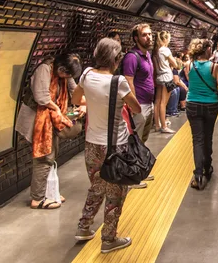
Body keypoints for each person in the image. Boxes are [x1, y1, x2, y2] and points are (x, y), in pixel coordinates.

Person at [72, 37, 141, 253]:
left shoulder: (86, 74)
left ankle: (84, 227)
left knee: (97, 186)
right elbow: (136, 109)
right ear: (115, 58)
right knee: (115, 193)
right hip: (115, 147)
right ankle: (109, 239)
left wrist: (95, 103)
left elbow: (76, 100)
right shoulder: (118, 82)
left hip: (92, 144)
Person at [15, 54, 83, 209]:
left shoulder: (64, 74)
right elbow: (42, 98)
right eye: (67, 75)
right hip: (38, 119)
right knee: (44, 157)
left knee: (52, 155)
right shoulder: (44, 69)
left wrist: (83, 105)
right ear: (60, 69)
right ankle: (37, 198)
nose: (68, 78)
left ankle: (49, 192)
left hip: (50, 119)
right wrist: (58, 109)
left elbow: (75, 91)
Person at [184, 39, 218, 190]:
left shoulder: (188, 65)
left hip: (192, 105)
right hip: (210, 105)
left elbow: (192, 83)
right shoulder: (215, 67)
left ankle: (197, 175)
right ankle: (207, 168)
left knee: (197, 140)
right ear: (206, 50)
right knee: (207, 137)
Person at [122, 23, 156, 187]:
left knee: (142, 140)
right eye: (144, 35)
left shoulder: (147, 55)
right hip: (139, 105)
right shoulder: (131, 57)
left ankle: (139, 171)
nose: (148, 37)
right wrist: (134, 106)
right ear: (136, 38)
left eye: (150, 34)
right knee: (133, 142)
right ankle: (130, 177)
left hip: (148, 103)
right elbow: (128, 81)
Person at [153, 31, 178, 133]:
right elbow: (176, 64)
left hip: (159, 78)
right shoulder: (165, 50)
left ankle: (157, 125)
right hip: (167, 78)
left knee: (157, 102)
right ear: (165, 39)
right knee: (164, 103)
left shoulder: (155, 51)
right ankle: (164, 126)